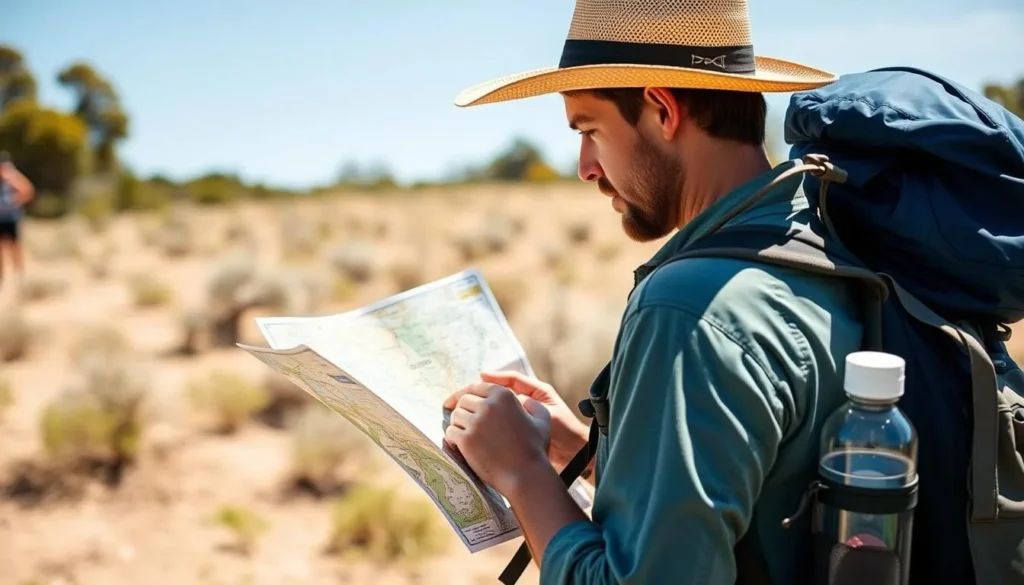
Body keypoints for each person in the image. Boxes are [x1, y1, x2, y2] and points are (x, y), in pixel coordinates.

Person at [440, 1, 864, 583]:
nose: (586, 166)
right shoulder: (823, 236)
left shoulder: (690, 309)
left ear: (662, 109)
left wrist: (522, 474)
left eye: (590, 130)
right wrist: (582, 449)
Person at [0, 151, 34, 292]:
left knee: (15, 247)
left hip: (11, 218)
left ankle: (19, 276)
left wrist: (15, 201)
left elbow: (28, 191)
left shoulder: (13, 178)